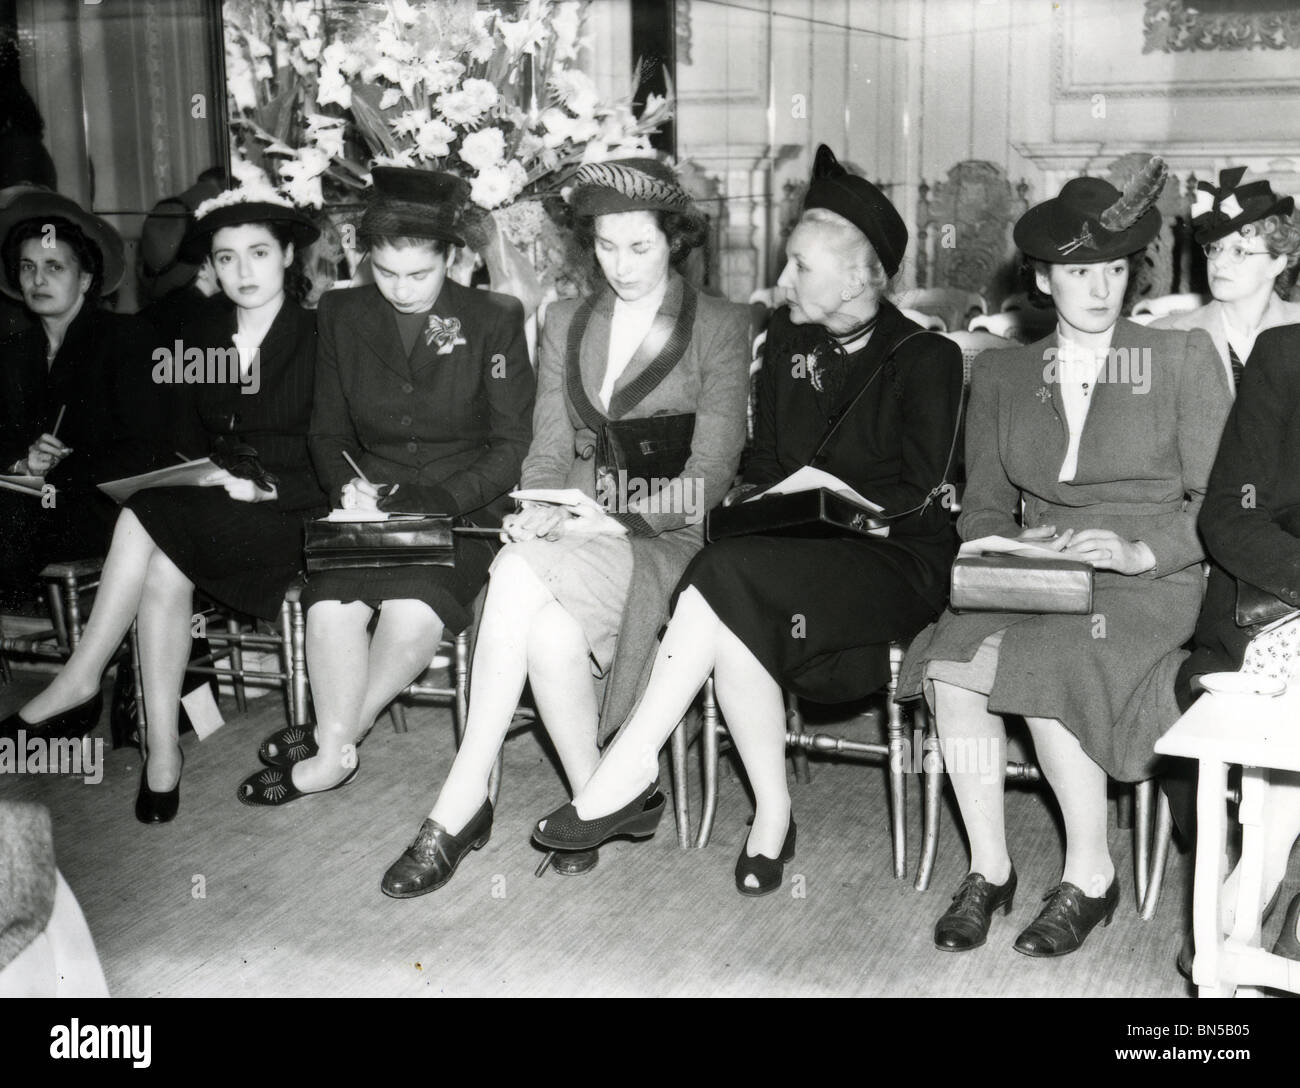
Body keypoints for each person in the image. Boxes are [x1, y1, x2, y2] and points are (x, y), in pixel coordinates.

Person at [526, 145, 963, 898]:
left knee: (725, 577)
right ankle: (768, 811)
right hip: (793, 546)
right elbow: (757, 460)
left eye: (802, 266)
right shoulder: (787, 342)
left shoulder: (927, 356)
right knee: (729, 579)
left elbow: (925, 493)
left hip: (893, 559)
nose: (782, 280)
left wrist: (836, 501)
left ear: (862, 276)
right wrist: (764, 496)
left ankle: (632, 767)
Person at [377, 157, 751, 897]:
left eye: (640, 246)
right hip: (575, 531)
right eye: (607, 246)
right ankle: (603, 797)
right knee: (545, 632)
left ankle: (465, 794)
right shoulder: (566, 319)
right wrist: (539, 507)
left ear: (673, 240)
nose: (623, 265)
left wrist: (614, 520)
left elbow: (711, 476)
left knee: (513, 575)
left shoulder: (721, 324)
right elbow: (547, 447)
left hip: (663, 536)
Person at [892, 162, 1232, 957]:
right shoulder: (1008, 371)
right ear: (1044, 278)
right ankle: (989, 867)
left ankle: (1089, 875)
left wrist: (1136, 548)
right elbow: (980, 503)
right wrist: (1002, 541)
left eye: (1115, 269)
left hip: (1148, 578)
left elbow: (1217, 504)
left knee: (1051, 659)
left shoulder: (1179, 357)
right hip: (1040, 571)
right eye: (1080, 272)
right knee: (948, 666)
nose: (1101, 288)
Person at [1, 186, 326, 825]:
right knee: (160, 555)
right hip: (209, 505)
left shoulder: (321, 334)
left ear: (288, 255)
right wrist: (202, 476)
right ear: (210, 266)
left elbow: (336, 447)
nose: (243, 271)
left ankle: (83, 678)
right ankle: (159, 754)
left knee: (149, 519)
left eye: (259, 253)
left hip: (289, 513)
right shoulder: (198, 330)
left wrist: (263, 486)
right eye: (226, 258)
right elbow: (180, 439)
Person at [236, 167, 534, 806]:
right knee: (331, 603)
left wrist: (436, 503)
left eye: (418, 275)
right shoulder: (342, 311)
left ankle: (329, 746)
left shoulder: (493, 318)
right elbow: (326, 432)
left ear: (452, 258)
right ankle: (334, 745)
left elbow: (512, 447)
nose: (400, 289)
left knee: (409, 608)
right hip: (373, 502)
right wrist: (349, 489)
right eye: (386, 271)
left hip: (466, 506)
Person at [1172, 322, 1300, 972]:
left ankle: (1257, 892)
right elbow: (1228, 514)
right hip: (1277, 611)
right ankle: (1262, 877)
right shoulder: (1286, 355)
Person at [0, 190, 165, 611]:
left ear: (86, 280)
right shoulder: (12, 352)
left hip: (102, 506)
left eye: (54, 267)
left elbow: (143, 447)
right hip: (27, 500)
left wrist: (56, 466)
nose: (38, 280)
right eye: (27, 267)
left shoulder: (124, 339)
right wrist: (23, 463)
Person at [1151, 167, 1300, 392]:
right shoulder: (1162, 335)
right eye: (1216, 248)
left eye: (1239, 251)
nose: (1219, 261)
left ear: (1276, 263)